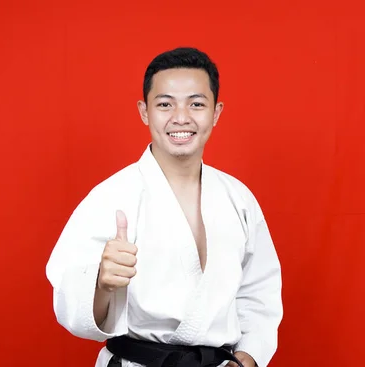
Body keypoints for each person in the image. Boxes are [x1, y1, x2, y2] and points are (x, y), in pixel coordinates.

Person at [45, 47, 283, 367]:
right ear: (144, 112)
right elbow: (70, 303)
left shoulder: (238, 198)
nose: (181, 117)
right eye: (165, 104)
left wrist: (246, 359)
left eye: (196, 104)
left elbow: (260, 293)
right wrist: (101, 282)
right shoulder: (111, 197)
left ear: (216, 112)